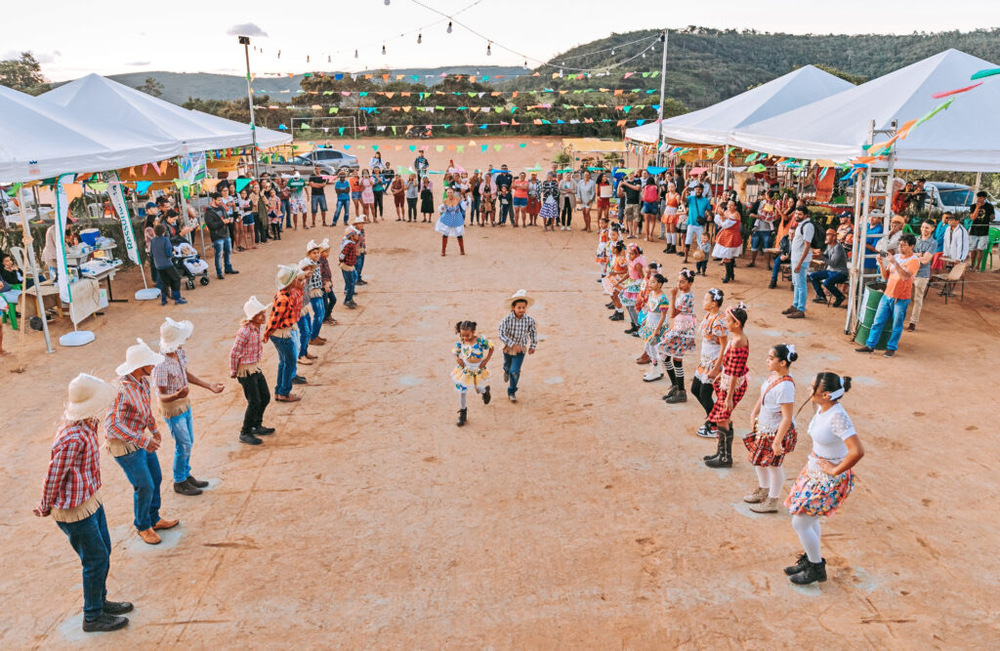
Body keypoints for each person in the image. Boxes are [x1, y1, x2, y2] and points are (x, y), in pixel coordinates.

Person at [33, 373, 133, 633]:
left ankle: (100, 602)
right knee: (95, 558)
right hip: (74, 509)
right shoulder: (71, 437)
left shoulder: (88, 424)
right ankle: (92, 616)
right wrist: (44, 505)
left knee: (103, 552)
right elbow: (53, 475)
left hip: (89, 499)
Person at [784, 372, 863, 585]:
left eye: (812, 387)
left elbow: (857, 451)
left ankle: (817, 568)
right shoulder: (823, 408)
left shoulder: (837, 416)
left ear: (826, 394)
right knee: (810, 519)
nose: (809, 390)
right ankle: (811, 559)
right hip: (814, 470)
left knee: (800, 522)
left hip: (828, 478)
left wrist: (835, 470)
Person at [105, 339, 180, 545]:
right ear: (140, 367)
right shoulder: (121, 390)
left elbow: (145, 410)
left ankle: (153, 518)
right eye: (150, 363)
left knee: (155, 478)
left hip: (140, 439)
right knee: (144, 484)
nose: (154, 365)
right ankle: (142, 525)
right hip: (125, 445)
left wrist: (154, 430)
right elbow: (112, 426)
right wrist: (142, 439)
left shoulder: (142, 383)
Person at [152, 318, 223, 497]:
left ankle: (185, 474)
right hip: (173, 408)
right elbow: (160, 395)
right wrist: (176, 395)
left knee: (188, 441)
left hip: (183, 403)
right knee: (183, 444)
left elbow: (185, 373)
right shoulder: (160, 364)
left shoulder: (179, 353)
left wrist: (208, 386)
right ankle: (179, 480)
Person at [742, 344, 799, 513]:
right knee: (758, 461)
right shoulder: (773, 376)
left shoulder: (785, 386)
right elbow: (763, 394)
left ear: (782, 363)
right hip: (764, 427)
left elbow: (787, 417)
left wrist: (777, 442)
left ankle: (773, 500)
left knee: (775, 466)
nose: (767, 361)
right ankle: (763, 490)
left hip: (774, 432)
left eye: (771, 358)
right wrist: (754, 413)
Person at [856, 232, 919, 358]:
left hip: (901, 298)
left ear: (911, 246)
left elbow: (905, 277)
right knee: (877, 322)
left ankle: (891, 348)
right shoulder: (896, 257)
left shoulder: (914, 261)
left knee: (896, 325)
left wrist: (894, 262)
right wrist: (880, 263)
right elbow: (885, 276)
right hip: (887, 295)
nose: (901, 247)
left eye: (904, 245)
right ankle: (870, 345)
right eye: (900, 245)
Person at [704, 303, 750, 468]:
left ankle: (725, 457)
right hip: (729, 381)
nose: (726, 323)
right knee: (724, 418)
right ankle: (721, 453)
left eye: (728, 321)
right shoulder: (737, 338)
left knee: (723, 418)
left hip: (732, 385)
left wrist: (729, 397)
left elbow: (735, 372)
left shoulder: (738, 341)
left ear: (737, 324)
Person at [230, 296, 274, 446]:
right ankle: (245, 432)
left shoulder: (258, 327)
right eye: (260, 314)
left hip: (254, 367)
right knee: (254, 401)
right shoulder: (244, 331)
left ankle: (256, 425)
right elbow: (235, 352)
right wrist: (233, 370)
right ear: (252, 317)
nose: (264, 316)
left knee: (265, 397)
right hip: (245, 370)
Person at [264, 264, 305, 403]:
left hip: (281, 333)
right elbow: (274, 319)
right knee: (290, 362)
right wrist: (267, 333)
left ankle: (279, 390)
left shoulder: (284, 294)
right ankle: (284, 392)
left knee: (284, 362)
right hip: (281, 334)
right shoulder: (284, 298)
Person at [691, 288, 728, 438]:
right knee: (695, 389)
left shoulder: (719, 321)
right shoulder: (709, 315)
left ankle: (714, 425)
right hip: (705, 360)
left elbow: (724, 346)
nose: (703, 302)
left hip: (713, 362)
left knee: (705, 394)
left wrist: (717, 367)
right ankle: (713, 416)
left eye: (706, 300)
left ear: (714, 303)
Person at [660, 269, 698, 404]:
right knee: (666, 356)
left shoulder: (686, 297)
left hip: (683, 330)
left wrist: (673, 296)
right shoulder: (685, 294)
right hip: (679, 328)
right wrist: (671, 328)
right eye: (679, 281)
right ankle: (677, 386)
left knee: (675, 359)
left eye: (682, 282)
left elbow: (672, 314)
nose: (679, 284)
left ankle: (681, 390)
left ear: (690, 283)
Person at [497, 290, 537, 403]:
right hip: (508, 348)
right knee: (508, 366)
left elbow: (533, 333)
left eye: (523, 307)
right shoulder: (506, 320)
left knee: (515, 371)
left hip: (520, 349)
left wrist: (532, 346)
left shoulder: (529, 320)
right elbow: (501, 333)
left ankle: (512, 391)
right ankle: (506, 370)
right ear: (513, 307)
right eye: (519, 308)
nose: (521, 310)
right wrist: (512, 344)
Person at [451, 320, 494, 427]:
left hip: (478, 369)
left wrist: (486, 360)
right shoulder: (461, 343)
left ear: (473, 332)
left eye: (467, 335)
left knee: (478, 388)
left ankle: (485, 392)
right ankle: (463, 413)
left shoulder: (480, 341)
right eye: (462, 335)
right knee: (462, 391)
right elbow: (455, 353)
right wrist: (458, 359)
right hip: (465, 370)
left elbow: (491, 347)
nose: (465, 338)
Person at [638, 273, 670, 382]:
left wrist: (657, 329)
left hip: (657, 327)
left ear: (659, 284)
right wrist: (646, 320)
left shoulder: (663, 298)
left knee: (654, 348)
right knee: (648, 347)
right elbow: (651, 310)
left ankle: (655, 370)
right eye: (649, 282)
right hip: (650, 324)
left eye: (653, 282)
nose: (649, 284)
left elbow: (663, 316)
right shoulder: (652, 293)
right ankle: (657, 369)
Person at [785, 208, 815, 320]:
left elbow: (807, 246)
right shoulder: (800, 225)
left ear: (806, 215)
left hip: (801, 261)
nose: (797, 215)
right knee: (796, 283)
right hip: (796, 259)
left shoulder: (807, 226)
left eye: (800, 214)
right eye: (796, 213)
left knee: (801, 285)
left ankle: (801, 309)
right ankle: (795, 305)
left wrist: (799, 263)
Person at [908, 220, 937, 331]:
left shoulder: (933, 243)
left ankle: (913, 322)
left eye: (927, 228)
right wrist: (919, 255)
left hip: (922, 274)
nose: (924, 230)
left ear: (932, 229)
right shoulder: (916, 239)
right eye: (923, 227)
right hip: (911, 271)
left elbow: (925, 260)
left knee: (917, 299)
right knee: (904, 296)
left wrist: (914, 255)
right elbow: (906, 253)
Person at [809, 228, 849, 307]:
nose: (825, 236)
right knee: (813, 276)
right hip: (831, 271)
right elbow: (825, 256)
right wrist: (817, 254)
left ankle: (840, 296)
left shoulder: (838, 248)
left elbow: (833, 263)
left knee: (827, 283)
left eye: (827, 235)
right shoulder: (829, 246)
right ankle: (821, 296)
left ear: (834, 237)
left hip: (840, 273)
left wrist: (821, 257)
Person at [203, 192, 238, 281]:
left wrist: (229, 220)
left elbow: (225, 217)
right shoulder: (208, 212)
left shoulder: (222, 208)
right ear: (213, 200)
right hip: (217, 236)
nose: (220, 201)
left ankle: (228, 268)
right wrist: (223, 222)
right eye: (218, 200)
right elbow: (211, 225)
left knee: (228, 252)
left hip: (226, 234)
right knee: (218, 255)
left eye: (220, 200)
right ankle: (219, 272)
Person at [149, 223, 186, 306]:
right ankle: (177, 298)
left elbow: (151, 254)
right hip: (167, 263)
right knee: (176, 279)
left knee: (164, 282)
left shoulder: (153, 240)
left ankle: (164, 300)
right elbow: (168, 253)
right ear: (163, 232)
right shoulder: (166, 240)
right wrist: (173, 254)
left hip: (158, 265)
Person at [712, 200, 744, 284]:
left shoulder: (735, 215)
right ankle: (731, 274)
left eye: (731, 205)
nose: (729, 207)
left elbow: (725, 224)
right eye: (728, 205)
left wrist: (722, 217)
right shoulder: (726, 212)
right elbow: (717, 220)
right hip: (725, 235)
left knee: (727, 257)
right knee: (728, 257)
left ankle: (728, 275)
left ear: (735, 207)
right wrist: (721, 217)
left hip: (732, 236)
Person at [683, 184, 711, 263]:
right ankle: (685, 258)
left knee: (701, 242)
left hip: (700, 225)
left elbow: (709, 209)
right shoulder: (691, 198)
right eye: (696, 189)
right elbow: (683, 199)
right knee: (687, 242)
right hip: (691, 223)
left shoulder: (705, 200)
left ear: (702, 190)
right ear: (694, 190)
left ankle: (701, 258)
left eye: (699, 189)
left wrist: (709, 215)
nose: (698, 191)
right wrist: (684, 190)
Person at [436, 188, 466, 256]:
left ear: (453, 192)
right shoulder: (445, 201)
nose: (450, 194)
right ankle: (443, 251)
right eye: (448, 192)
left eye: (451, 192)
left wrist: (466, 203)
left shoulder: (458, 199)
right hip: (448, 218)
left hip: (457, 217)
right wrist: (442, 208)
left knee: (459, 233)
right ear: (447, 194)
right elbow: (440, 208)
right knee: (445, 233)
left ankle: (462, 250)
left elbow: (463, 205)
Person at [969, 190, 995, 270]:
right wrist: (977, 208)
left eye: (980, 198)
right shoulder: (973, 206)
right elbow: (973, 218)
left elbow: (992, 217)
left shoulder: (989, 206)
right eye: (978, 198)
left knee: (980, 249)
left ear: (985, 198)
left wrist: (989, 218)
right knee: (973, 249)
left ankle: (977, 266)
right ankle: (972, 265)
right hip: (974, 230)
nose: (978, 200)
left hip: (984, 231)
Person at [339, 225, 360, 309]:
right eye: (356, 235)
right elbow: (343, 254)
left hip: (350, 266)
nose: (357, 236)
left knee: (352, 282)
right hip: (347, 266)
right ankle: (347, 300)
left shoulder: (351, 243)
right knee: (350, 283)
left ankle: (350, 298)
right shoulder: (349, 245)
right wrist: (340, 261)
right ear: (352, 236)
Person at [619, 173, 642, 239]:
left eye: (631, 173)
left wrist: (626, 184)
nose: (630, 175)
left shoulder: (637, 180)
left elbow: (637, 188)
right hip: (628, 203)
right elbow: (620, 192)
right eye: (629, 174)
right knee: (629, 218)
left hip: (636, 202)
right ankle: (630, 233)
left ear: (634, 174)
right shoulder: (625, 182)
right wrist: (619, 185)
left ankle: (634, 233)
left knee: (636, 219)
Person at [661, 182, 682, 254]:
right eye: (669, 186)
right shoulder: (667, 195)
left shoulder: (677, 196)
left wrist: (679, 214)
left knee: (672, 229)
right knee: (667, 229)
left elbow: (679, 205)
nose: (670, 188)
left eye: (672, 186)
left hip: (673, 212)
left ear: (675, 187)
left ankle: (673, 247)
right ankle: (668, 245)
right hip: (667, 212)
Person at [640, 176, 660, 241]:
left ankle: (647, 236)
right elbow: (658, 198)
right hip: (654, 204)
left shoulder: (644, 187)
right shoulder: (656, 187)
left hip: (646, 204)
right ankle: (651, 235)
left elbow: (642, 196)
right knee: (653, 221)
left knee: (646, 221)